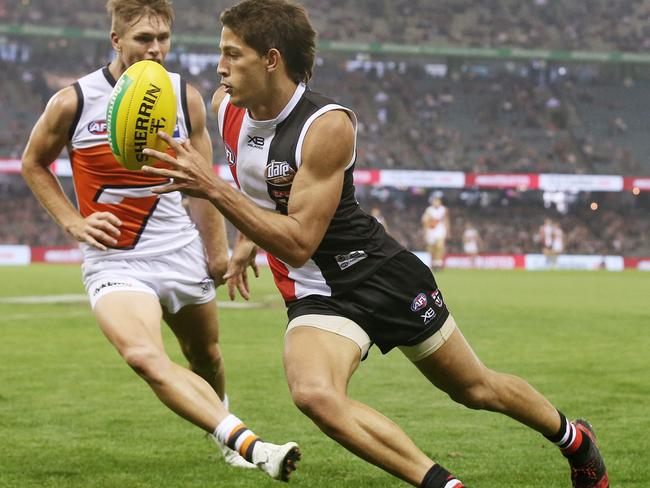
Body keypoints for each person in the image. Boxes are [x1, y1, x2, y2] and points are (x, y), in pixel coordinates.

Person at [140, 1, 608, 487]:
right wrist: (245, 240)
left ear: (271, 59)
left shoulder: (326, 125)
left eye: (233, 54)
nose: (220, 67)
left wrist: (213, 189)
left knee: (474, 387)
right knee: (315, 394)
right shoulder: (225, 108)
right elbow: (262, 189)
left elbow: (299, 240)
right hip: (316, 295)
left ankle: (576, 441)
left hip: (379, 273)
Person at [20, 0, 299, 481]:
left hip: (179, 252)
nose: (155, 49)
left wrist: (216, 253)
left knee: (206, 355)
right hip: (116, 262)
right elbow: (33, 163)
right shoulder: (74, 100)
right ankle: (250, 445)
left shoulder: (185, 97)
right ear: (116, 41)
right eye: (143, 39)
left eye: (162, 39)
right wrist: (73, 222)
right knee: (144, 356)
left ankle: (225, 432)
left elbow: (202, 182)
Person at [422, 196, 449, 271]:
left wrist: (447, 231)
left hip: (440, 229)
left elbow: (446, 220)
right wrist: (425, 233)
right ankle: (433, 263)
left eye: (437, 201)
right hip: (431, 230)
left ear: (440, 202)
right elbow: (425, 222)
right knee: (431, 248)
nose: (436, 203)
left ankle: (439, 263)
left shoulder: (444, 209)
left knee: (440, 246)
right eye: (435, 201)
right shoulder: (429, 210)